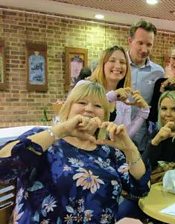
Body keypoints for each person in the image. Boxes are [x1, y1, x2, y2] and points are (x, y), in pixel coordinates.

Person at [0, 82, 150, 223]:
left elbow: (140, 188)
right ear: (68, 108)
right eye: (82, 102)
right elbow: (4, 167)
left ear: (104, 115)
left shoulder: (109, 151)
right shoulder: (46, 139)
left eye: (97, 105)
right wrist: (62, 130)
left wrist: (129, 148)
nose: (89, 109)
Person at [88, 45, 149, 139]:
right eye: (112, 60)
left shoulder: (123, 101)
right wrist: (113, 95)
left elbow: (126, 135)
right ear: (103, 64)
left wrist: (144, 112)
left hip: (109, 151)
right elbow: (89, 113)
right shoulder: (85, 86)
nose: (118, 66)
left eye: (122, 62)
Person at [127, 19, 164, 152]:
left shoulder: (159, 72)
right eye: (140, 43)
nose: (144, 49)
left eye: (149, 44)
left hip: (142, 139)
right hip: (113, 136)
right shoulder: (117, 66)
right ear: (130, 41)